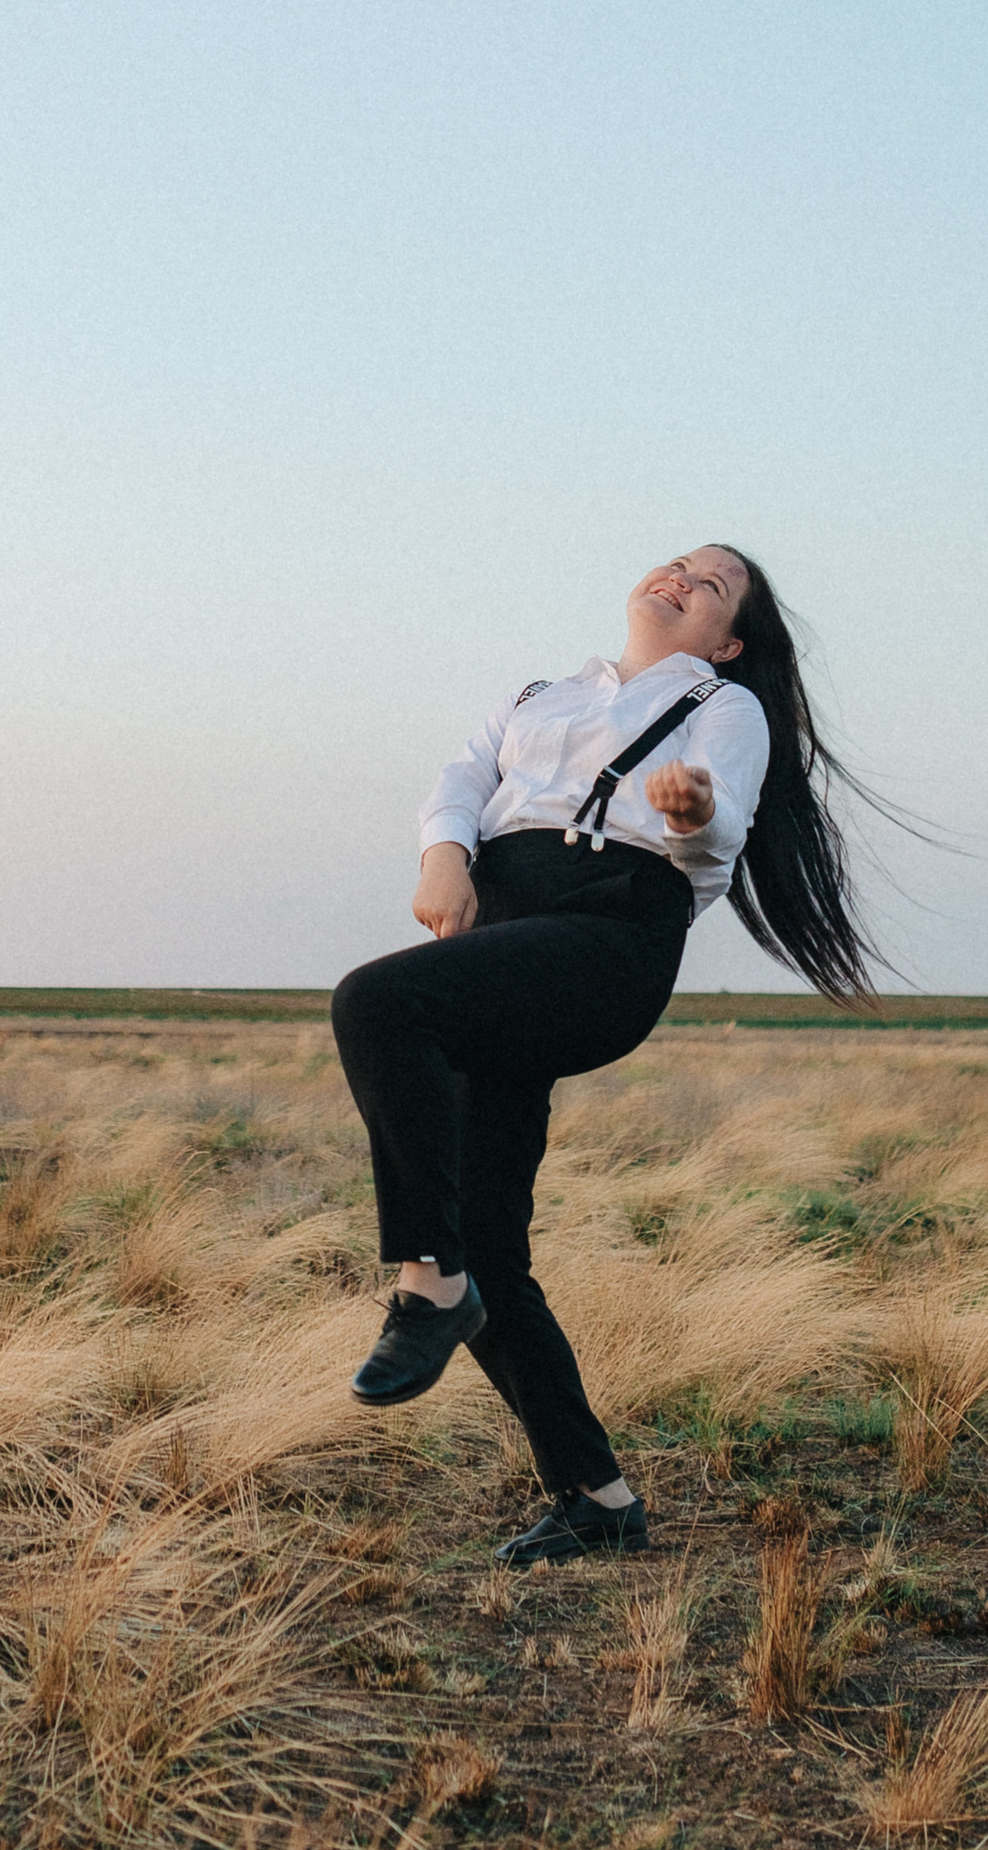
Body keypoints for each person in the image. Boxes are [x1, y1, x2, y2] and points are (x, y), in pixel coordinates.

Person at [330, 545, 888, 1566]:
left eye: (710, 585)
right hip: (502, 930)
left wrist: (689, 813)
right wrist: (444, 859)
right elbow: (459, 780)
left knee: (375, 1003)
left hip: (609, 932)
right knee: (493, 1241)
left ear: (725, 638)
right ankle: (598, 1496)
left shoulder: (722, 704)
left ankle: (425, 1282)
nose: (680, 577)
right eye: (675, 562)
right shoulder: (538, 694)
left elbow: (716, 827)